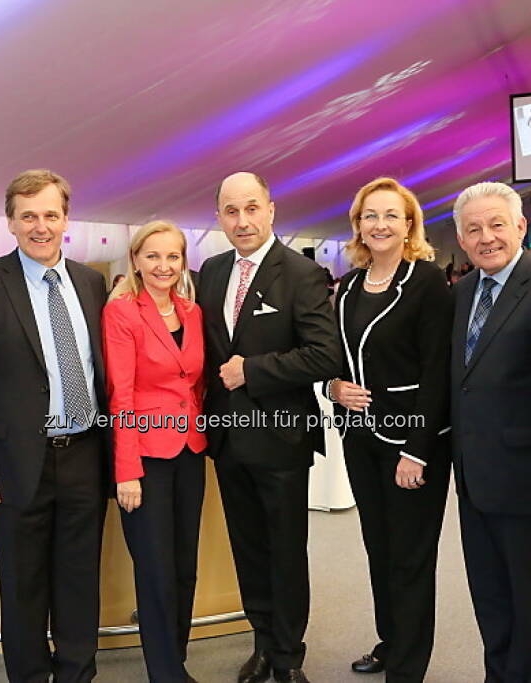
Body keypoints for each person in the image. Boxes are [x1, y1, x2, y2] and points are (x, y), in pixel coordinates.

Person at [0, 169, 109, 683]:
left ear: (67, 219)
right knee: (22, 584)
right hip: (17, 461)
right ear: (11, 223)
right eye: (28, 217)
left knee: (80, 579)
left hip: (85, 452)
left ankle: (76, 674)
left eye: (50, 215)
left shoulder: (91, 281)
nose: (40, 227)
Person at [196, 172, 340, 683]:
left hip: (281, 439)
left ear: (271, 210)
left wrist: (252, 370)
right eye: (231, 211)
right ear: (218, 217)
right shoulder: (210, 272)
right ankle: (261, 644)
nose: (242, 221)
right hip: (228, 441)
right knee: (249, 550)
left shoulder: (300, 273)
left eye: (251, 208)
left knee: (285, 552)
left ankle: (288, 656)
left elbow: (325, 354)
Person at [324, 177, 452, 682]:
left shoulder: (426, 282)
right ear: (358, 225)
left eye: (391, 215)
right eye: (370, 215)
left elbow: (438, 371)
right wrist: (334, 386)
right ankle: (390, 640)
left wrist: (418, 451)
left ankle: (408, 664)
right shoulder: (350, 286)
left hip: (412, 444)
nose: (379, 224)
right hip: (361, 440)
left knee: (411, 557)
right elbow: (336, 357)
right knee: (380, 549)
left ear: (409, 225)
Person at [451, 182, 531, 682]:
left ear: (520, 226)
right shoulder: (462, 293)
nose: (486, 237)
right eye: (474, 229)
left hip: (530, 478)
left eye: (497, 225)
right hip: (473, 477)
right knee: (489, 595)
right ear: (460, 238)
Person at [103, 220, 206, 683]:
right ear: (137, 261)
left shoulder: (192, 310)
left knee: (185, 568)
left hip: (189, 451)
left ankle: (175, 661)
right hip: (144, 459)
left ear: (183, 262)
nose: (163, 266)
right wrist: (126, 469)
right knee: (157, 571)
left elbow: (195, 382)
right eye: (153, 256)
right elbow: (120, 396)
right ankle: (165, 674)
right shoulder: (122, 313)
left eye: (173, 257)